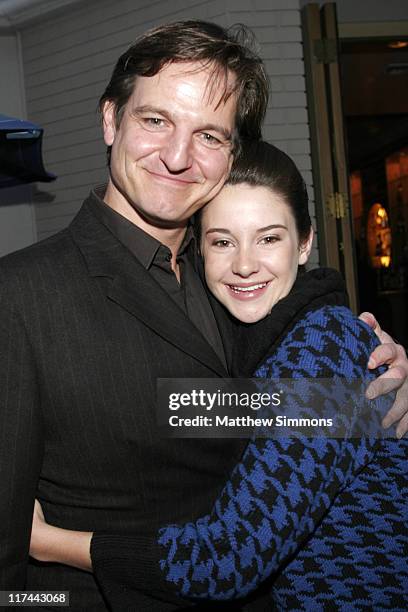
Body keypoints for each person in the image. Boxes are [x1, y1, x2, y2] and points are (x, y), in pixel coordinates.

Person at [0, 19, 406, 610]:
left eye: (210, 135)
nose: (177, 156)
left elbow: (225, 415)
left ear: (232, 153)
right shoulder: (18, 297)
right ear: (111, 119)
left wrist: (369, 397)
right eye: (156, 120)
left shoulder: (240, 288)